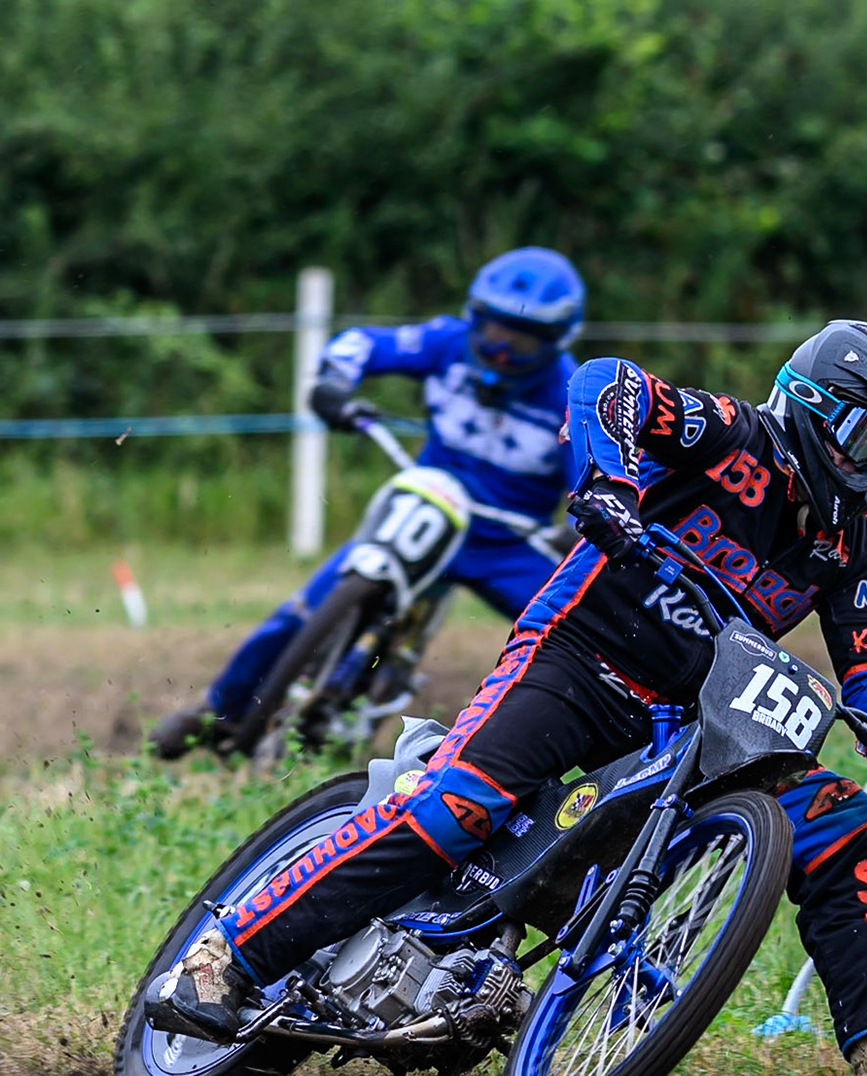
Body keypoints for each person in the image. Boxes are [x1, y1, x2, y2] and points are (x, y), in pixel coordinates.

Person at [147, 320, 867, 1076]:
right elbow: (610, 384)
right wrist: (608, 483)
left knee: (845, 819)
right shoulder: (734, 436)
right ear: (813, 408)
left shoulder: (850, 546)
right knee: (454, 811)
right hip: (577, 658)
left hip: (694, 717)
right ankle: (228, 956)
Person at [149, 247, 587, 758]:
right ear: (475, 319)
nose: (502, 352)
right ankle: (217, 709)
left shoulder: (572, 395)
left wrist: (577, 524)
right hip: (432, 502)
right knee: (303, 608)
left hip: (508, 539)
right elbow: (360, 342)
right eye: (493, 333)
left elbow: (592, 477)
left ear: (555, 342)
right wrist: (333, 384)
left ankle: (561, 760)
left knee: (573, 639)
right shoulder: (446, 343)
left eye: (522, 341)